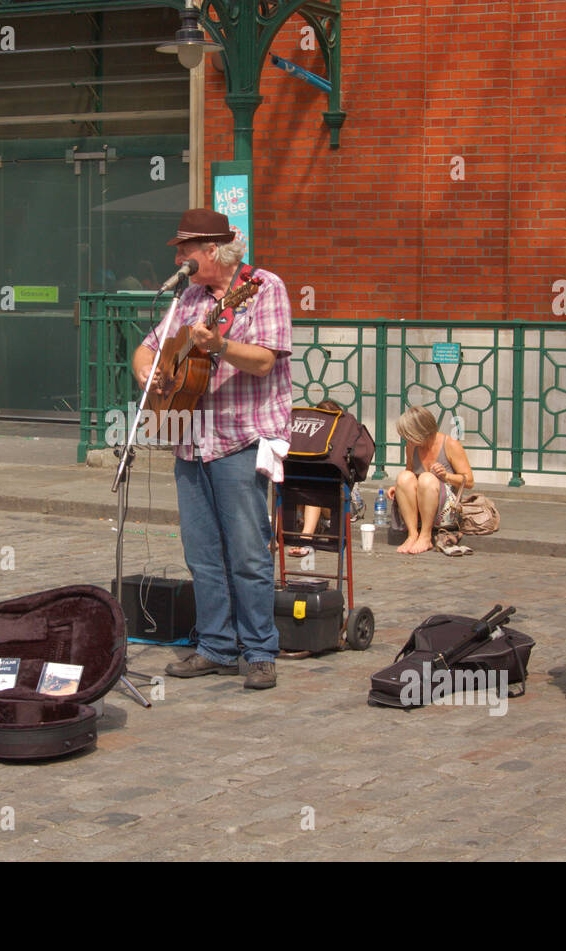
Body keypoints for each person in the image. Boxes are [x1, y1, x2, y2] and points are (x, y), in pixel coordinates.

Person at [130, 208, 292, 690]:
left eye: (186, 250)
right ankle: (216, 646)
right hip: (190, 440)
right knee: (201, 554)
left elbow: (264, 360)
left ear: (213, 252)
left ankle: (260, 649)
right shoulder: (188, 298)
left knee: (246, 552)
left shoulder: (263, 288)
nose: (178, 258)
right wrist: (147, 372)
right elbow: (150, 347)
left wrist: (220, 346)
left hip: (240, 437)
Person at [391, 404, 474, 554]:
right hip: (421, 502)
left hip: (446, 509)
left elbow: (469, 481)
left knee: (427, 478)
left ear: (422, 431)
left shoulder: (450, 444)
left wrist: (446, 476)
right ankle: (412, 534)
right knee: (403, 477)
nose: (406, 439)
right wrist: (398, 488)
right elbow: (409, 471)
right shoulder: (411, 446)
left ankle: (425, 535)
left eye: (409, 435)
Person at [287, 399, 364, 557]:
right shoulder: (314, 442)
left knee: (313, 492)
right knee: (300, 485)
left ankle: (305, 539)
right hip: (322, 495)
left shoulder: (342, 439)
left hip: (339, 500)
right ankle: (279, 537)